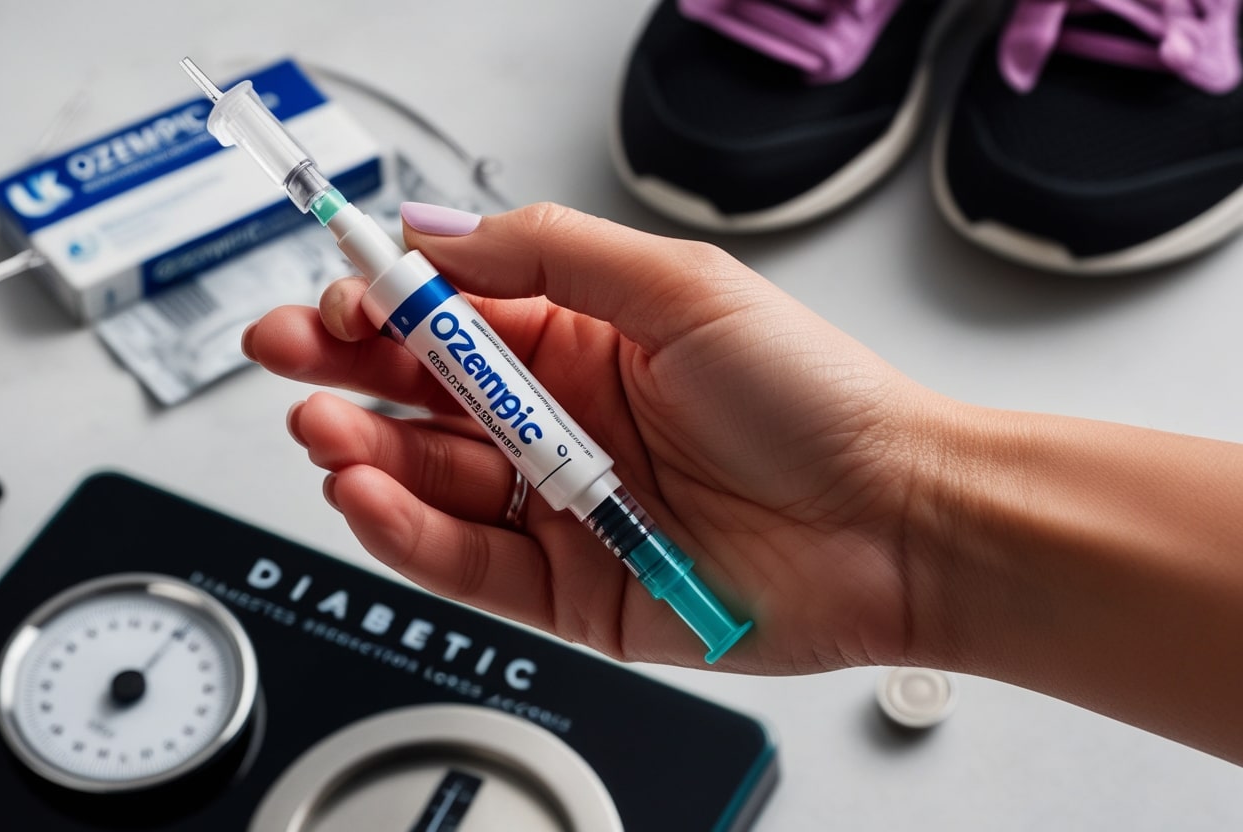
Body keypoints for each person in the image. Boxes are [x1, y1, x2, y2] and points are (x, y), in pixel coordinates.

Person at [241, 201, 1243, 765]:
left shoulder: (422, 295)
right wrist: (914, 520)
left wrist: (906, 504)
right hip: (588, 482)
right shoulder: (407, 299)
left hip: (588, 477)